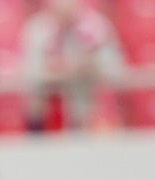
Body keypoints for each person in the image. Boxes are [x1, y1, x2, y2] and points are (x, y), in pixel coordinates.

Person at [22, 0, 124, 132]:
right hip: (47, 105)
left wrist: (89, 65)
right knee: (36, 99)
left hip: (87, 105)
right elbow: (30, 72)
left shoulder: (97, 26)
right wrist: (60, 69)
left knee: (84, 92)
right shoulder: (38, 28)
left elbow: (117, 71)